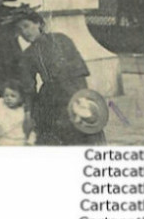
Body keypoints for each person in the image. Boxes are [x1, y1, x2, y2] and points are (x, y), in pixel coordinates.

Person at [14, 8, 104, 145]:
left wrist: (81, 96)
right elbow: (29, 86)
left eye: (27, 26)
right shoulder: (27, 54)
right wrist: (29, 111)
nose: (25, 32)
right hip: (49, 98)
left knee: (81, 130)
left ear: (38, 23)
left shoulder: (61, 40)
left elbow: (79, 69)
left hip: (72, 91)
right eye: (20, 30)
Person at [0, 78, 35, 146]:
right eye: (6, 96)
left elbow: (31, 129)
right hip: (5, 140)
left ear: (21, 98)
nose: (9, 98)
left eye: (13, 96)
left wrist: (30, 141)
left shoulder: (23, 111)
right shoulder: (2, 106)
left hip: (20, 141)